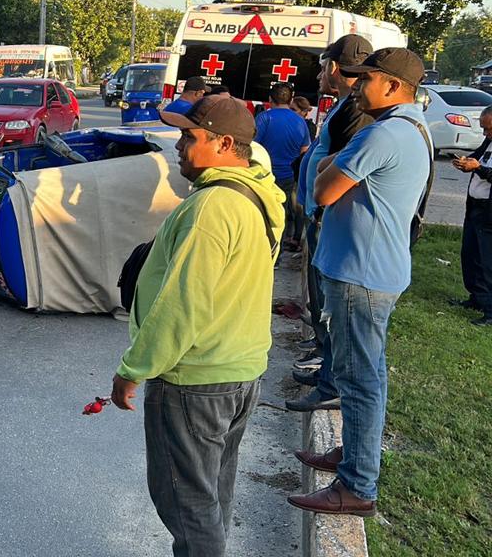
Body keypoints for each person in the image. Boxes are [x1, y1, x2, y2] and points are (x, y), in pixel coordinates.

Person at [111, 94, 285, 557]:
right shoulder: (258, 194)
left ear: (225, 143)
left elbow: (182, 304)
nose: (179, 146)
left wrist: (133, 369)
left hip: (195, 381)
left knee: (187, 506)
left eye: (190, 136)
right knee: (210, 498)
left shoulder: (211, 208)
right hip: (239, 371)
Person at [288, 47, 431, 518]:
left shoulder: (384, 133)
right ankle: (352, 458)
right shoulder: (405, 128)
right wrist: (331, 164)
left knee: (360, 379)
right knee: (362, 376)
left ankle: (356, 485)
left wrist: (327, 162)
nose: (357, 86)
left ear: (392, 85)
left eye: (366, 79)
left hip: (360, 274)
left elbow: (322, 188)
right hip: (368, 269)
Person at [286, 35, 375, 411]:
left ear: (335, 68)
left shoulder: (357, 109)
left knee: (332, 303)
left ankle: (330, 378)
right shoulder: (342, 104)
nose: (320, 73)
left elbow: (346, 165)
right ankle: (324, 359)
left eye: (323, 66)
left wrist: (320, 204)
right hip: (316, 212)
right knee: (320, 294)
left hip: (328, 218)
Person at [255, 83, 310, 250]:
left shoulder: (264, 118)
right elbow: (304, 150)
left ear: (270, 99)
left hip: (264, 175)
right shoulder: (301, 122)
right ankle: (276, 253)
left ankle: (262, 250)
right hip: (288, 176)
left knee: (262, 214)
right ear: (290, 99)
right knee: (282, 214)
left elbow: (253, 146)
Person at [452, 105, 492, 326]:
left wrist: (478, 169)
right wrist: (465, 161)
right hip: (475, 207)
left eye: (488, 129)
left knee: (487, 262)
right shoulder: (488, 141)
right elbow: (478, 157)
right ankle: (475, 298)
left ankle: (490, 311)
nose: (485, 134)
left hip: (489, 214)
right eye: (483, 129)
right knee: (471, 255)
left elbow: (484, 170)